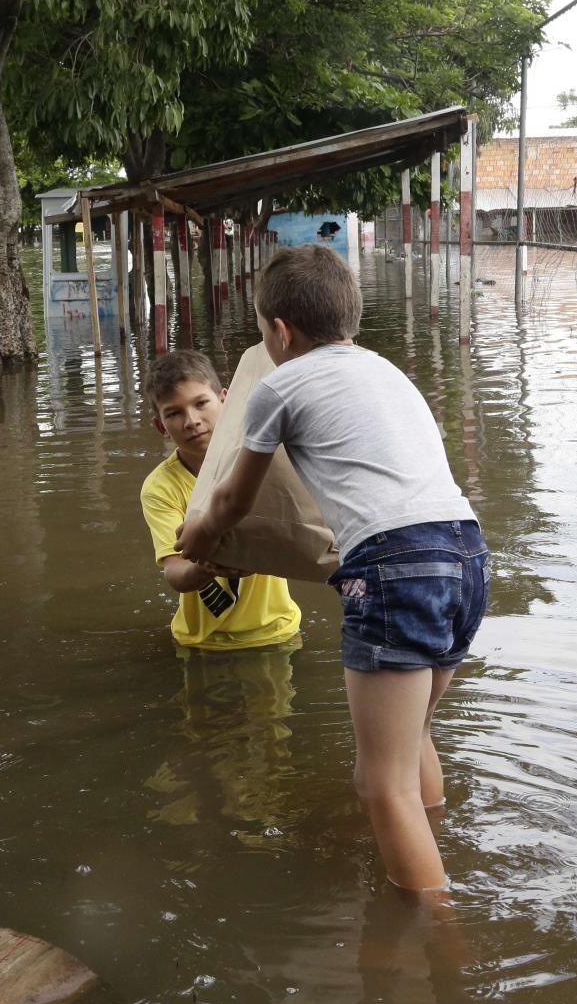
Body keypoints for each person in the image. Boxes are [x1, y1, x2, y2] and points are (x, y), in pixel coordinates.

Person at [180, 245, 486, 893]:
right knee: (413, 738)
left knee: (381, 785)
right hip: (466, 554)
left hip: (394, 566)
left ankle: (439, 936)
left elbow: (234, 501)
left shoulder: (279, 385)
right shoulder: (388, 371)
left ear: (280, 331)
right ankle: (437, 844)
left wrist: (197, 535)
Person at [139, 350, 302, 653]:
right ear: (161, 426)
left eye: (201, 403)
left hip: (277, 631)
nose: (192, 421)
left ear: (225, 400)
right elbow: (175, 572)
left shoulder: (261, 461)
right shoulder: (161, 487)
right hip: (201, 643)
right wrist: (209, 567)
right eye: (174, 414)